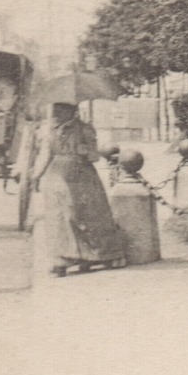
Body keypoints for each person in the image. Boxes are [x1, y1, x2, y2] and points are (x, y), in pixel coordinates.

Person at [32, 102, 125, 277]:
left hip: (82, 175)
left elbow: (94, 156)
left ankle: (93, 256)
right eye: (55, 110)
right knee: (60, 217)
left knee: (87, 215)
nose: (56, 114)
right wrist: (35, 176)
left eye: (61, 110)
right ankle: (62, 259)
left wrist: (86, 150)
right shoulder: (49, 131)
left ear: (71, 112)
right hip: (57, 177)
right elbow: (45, 155)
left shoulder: (84, 129)